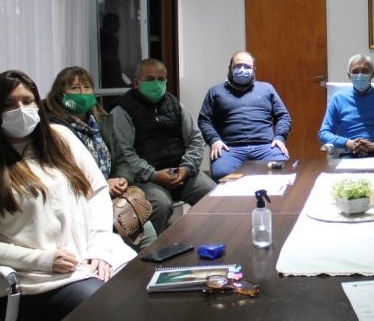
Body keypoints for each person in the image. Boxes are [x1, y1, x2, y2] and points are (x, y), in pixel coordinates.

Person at [0, 70, 135, 321]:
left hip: (86, 262)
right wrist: (44, 259)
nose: (20, 110)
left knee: (144, 289)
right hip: (26, 284)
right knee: (110, 307)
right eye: (8, 104)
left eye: (27, 101)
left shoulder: (61, 139)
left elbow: (96, 191)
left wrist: (99, 247)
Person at [43, 66, 157, 248]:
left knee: (147, 232)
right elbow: (63, 171)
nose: (83, 93)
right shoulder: (54, 128)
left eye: (87, 87)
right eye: (75, 88)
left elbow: (122, 159)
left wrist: (122, 179)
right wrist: (103, 185)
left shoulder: (102, 120)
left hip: (115, 196)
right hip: (83, 200)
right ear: (60, 94)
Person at [111, 59, 215, 233]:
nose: (157, 84)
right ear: (136, 83)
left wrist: (186, 168)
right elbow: (125, 154)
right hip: (145, 178)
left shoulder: (175, 105)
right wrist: (154, 175)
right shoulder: (122, 111)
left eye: (161, 79)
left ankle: (210, 240)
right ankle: (155, 248)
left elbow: (195, 139)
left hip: (181, 171)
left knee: (213, 195)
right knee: (160, 205)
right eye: (150, 79)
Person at [198, 51, 292, 181]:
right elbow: (204, 120)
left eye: (247, 66)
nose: (242, 69)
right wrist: (214, 140)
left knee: (281, 171)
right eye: (238, 66)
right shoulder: (215, 92)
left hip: (266, 146)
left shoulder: (267, 89)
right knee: (222, 174)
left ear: (254, 69)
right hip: (229, 148)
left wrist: (280, 137)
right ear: (230, 68)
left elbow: (283, 116)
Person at [319, 54, 374, 157]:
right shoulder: (337, 99)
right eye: (355, 71)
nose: (360, 75)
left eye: (365, 71)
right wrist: (347, 143)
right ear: (349, 75)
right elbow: (324, 133)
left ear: (372, 74)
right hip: (350, 154)